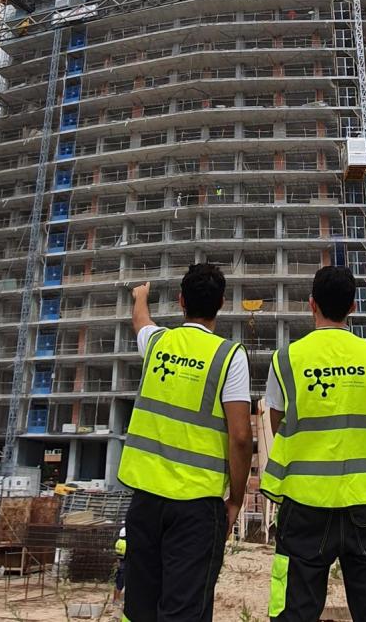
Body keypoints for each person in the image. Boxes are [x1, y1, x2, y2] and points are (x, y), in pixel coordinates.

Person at [261, 266, 366, 622]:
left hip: (305, 503)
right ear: (353, 306)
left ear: (312, 304)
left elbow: (278, 422)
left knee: (294, 610)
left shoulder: (286, 360)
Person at [118, 263, 253, 622]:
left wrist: (141, 296)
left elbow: (140, 321)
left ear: (180, 301)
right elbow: (240, 436)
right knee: (184, 611)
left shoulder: (158, 343)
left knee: (140, 607)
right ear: (222, 303)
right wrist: (236, 499)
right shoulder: (229, 357)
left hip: (145, 502)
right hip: (196, 507)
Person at [113, 527, 126, 606]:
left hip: (120, 563)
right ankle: (118, 600)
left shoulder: (118, 542)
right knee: (121, 584)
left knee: (118, 583)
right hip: (125, 565)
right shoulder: (125, 543)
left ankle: (115, 600)